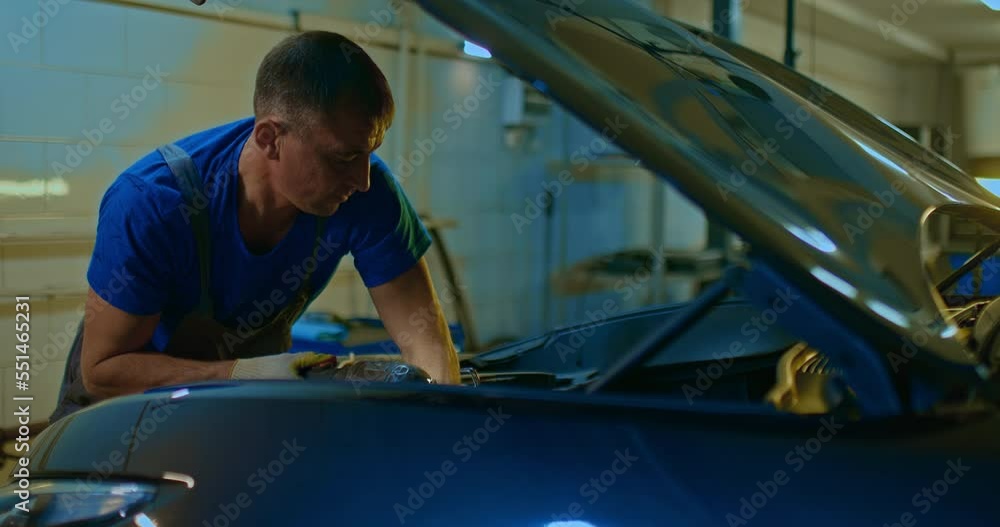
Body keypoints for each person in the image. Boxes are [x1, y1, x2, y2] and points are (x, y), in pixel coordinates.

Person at [51, 30, 461, 421]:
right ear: (269, 139)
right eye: (343, 157)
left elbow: (429, 349)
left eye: (369, 152)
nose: (363, 179)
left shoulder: (365, 193)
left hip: (239, 405)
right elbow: (104, 373)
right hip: (122, 412)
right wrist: (242, 373)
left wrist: (443, 429)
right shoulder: (151, 203)